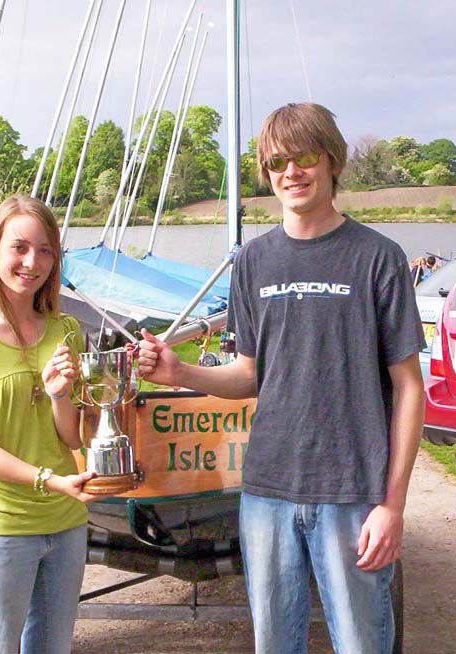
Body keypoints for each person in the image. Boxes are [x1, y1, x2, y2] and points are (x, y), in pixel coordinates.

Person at [138, 103, 426, 654]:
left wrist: (392, 505)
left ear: (331, 160)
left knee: (364, 643)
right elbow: (249, 375)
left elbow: (410, 388)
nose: (290, 173)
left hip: (353, 494)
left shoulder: (378, 258)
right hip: (266, 493)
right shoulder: (254, 260)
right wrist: (179, 371)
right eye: (276, 162)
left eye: (304, 157)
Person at [0, 194, 99, 654]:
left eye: (45, 250)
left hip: (65, 525)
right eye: (20, 248)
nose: (33, 262)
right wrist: (51, 480)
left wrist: (60, 395)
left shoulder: (67, 328)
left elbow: (72, 435)